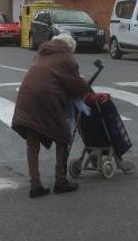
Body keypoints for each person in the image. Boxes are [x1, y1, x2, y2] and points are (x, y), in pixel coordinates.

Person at [11, 32, 89, 198]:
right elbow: (76, 85)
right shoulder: (67, 58)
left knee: (33, 140)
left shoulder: (41, 54)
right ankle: (60, 181)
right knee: (62, 136)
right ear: (70, 48)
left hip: (26, 96)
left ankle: (35, 185)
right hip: (46, 98)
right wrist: (84, 82)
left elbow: (50, 75)